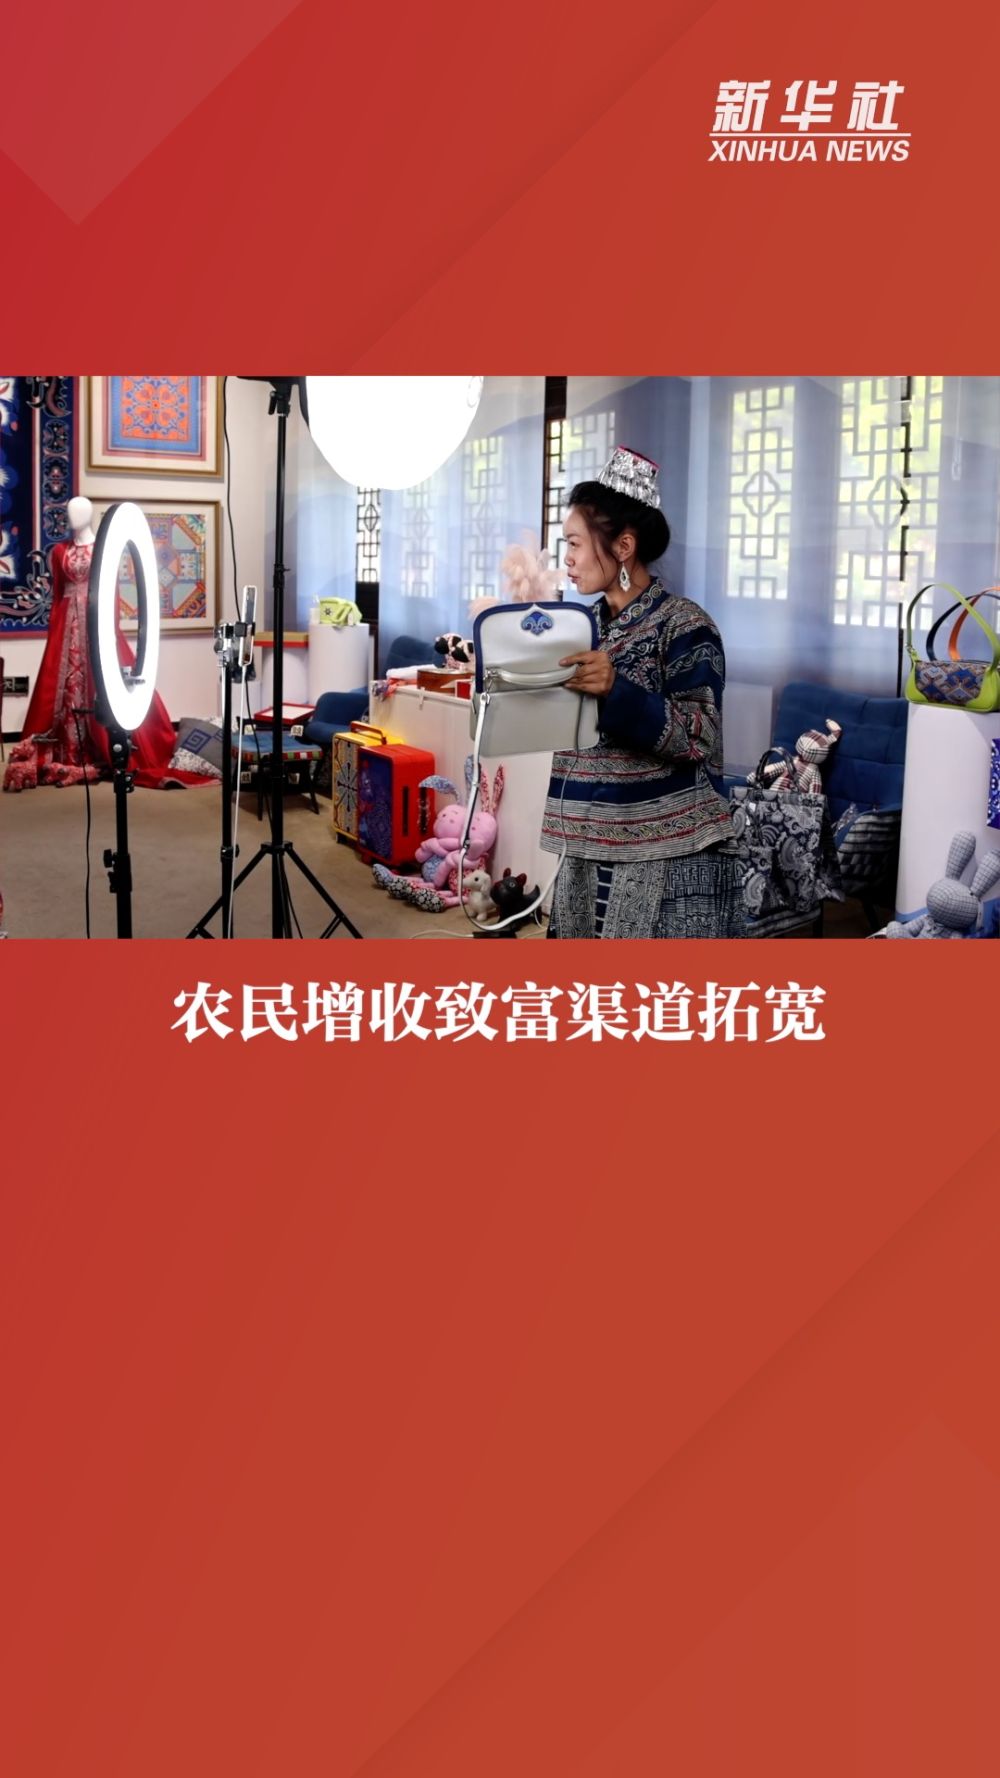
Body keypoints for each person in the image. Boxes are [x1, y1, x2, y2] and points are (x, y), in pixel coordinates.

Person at [541, 446, 744, 938]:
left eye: (575, 543)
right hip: (586, 835)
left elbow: (700, 736)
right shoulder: (580, 628)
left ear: (623, 547)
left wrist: (616, 688)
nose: (567, 558)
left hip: (668, 848)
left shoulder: (686, 625)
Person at [4, 494, 176, 790]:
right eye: (69, 512)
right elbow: (58, 594)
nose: (73, 518)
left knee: (105, 680)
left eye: (79, 512)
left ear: (90, 515)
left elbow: (112, 590)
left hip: (96, 620)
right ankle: (66, 747)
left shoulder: (103, 549)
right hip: (66, 623)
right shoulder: (59, 551)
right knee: (62, 686)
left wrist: (111, 627)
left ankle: (107, 742)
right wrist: (55, 631)